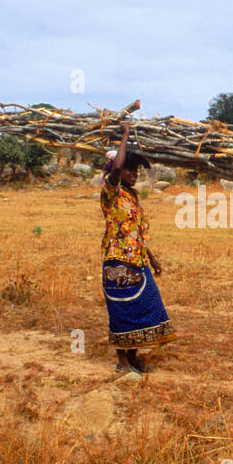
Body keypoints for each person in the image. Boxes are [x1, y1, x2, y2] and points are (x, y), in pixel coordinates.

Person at [101, 114, 175, 374]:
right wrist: (125, 135)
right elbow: (117, 166)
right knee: (123, 310)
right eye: (131, 170)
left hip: (138, 262)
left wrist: (152, 259)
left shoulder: (131, 198)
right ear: (119, 171)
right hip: (118, 262)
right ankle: (122, 362)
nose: (134, 174)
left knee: (147, 306)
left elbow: (135, 232)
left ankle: (132, 357)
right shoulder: (111, 193)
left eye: (137, 171)